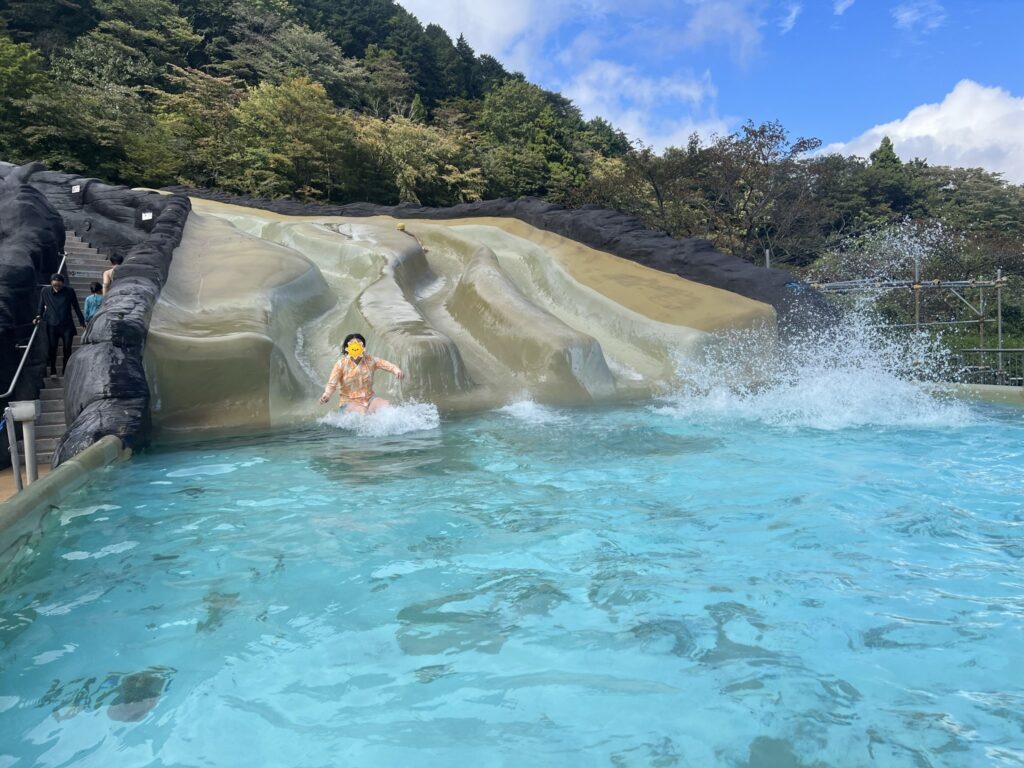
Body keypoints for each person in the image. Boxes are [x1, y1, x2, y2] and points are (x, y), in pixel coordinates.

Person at [319, 333, 405, 414]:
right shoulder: (341, 364)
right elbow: (332, 383)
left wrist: (397, 370)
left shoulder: (370, 360)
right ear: (347, 348)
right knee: (362, 412)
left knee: (387, 405)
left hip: (369, 398)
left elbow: (386, 364)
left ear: (363, 347)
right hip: (349, 402)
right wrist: (327, 395)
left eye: (359, 345)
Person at [35, 273, 85, 377]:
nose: (57, 287)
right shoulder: (45, 291)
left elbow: (76, 306)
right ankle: (53, 370)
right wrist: (38, 316)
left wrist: (81, 321)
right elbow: (41, 305)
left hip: (67, 324)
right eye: (55, 285)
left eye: (59, 285)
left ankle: (65, 369)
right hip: (52, 324)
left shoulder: (69, 291)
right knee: (52, 347)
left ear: (63, 284)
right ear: (51, 284)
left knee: (67, 348)